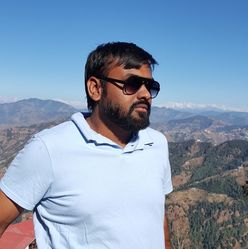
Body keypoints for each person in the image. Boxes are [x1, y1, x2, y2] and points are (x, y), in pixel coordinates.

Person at [0, 41, 173, 248]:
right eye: (132, 84)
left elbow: (157, 217)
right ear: (95, 88)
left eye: (150, 86)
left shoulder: (157, 144)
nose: (145, 94)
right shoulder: (48, 149)